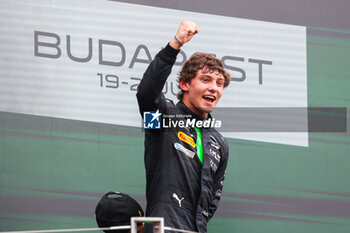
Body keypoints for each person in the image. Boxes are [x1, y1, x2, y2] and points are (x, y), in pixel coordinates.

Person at [136, 19, 231, 233]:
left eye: (219, 84)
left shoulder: (220, 143)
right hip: (164, 225)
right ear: (185, 84)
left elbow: (210, 203)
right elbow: (146, 93)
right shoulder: (163, 117)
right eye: (205, 80)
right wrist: (176, 44)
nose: (214, 88)